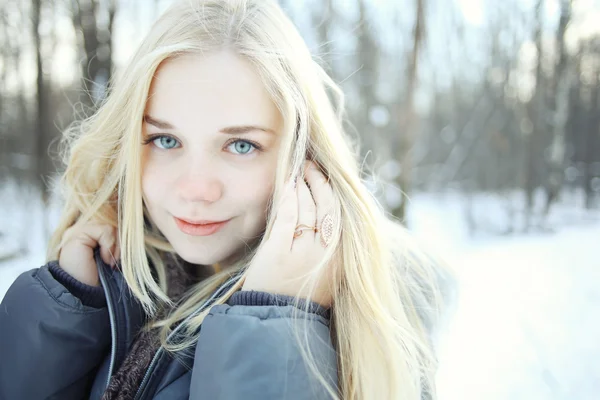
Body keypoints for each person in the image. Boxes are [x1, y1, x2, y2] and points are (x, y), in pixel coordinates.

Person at [0, 0, 455, 399]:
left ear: (305, 156)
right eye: (164, 140)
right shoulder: (108, 280)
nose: (196, 189)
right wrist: (66, 314)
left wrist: (276, 327)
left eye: (241, 145)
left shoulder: (370, 329)